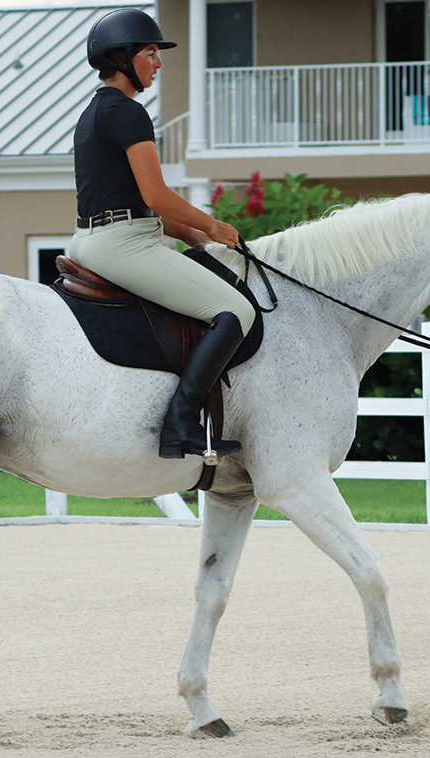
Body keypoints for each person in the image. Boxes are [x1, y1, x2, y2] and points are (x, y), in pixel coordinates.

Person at [70, 8, 257, 461]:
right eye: (151, 53)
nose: (158, 62)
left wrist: (194, 237)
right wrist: (213, 225)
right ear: (123, 58)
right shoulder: (129, 113)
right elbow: (155, 196)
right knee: (235, 309)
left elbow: (131, 203)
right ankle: (181, 424)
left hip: (97, 238)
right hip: (124, 245)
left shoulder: (94, 112)